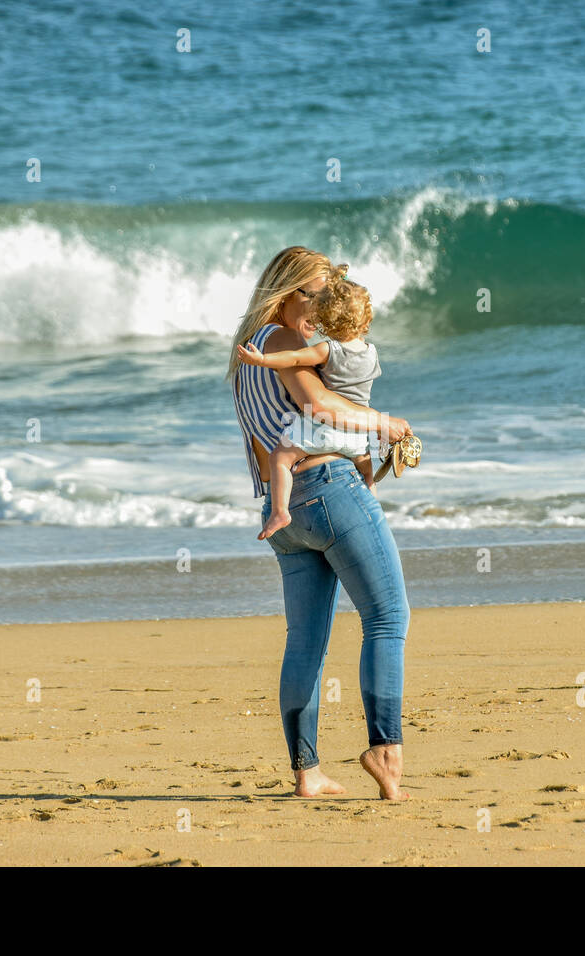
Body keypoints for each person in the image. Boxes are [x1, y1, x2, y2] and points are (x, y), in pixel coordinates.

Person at [226, 246, 412, 800]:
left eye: (330, 296)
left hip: (283, 508)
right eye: (314, 295)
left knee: (305, 640)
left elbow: (265, 446)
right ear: (284, 293)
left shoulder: (245, 361)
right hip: (329, 490)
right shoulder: (285, 343)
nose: (323, 308)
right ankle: (384, 750)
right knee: (387, 617)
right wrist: (386, 424)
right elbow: (323, 409)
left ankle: (306, 772)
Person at [236, 273, 382, 540]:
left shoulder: (328, 350)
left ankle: (279, 511)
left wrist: (261, 360)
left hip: (323, 432)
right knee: (367, 473)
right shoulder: (372, 353)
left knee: (280, 457)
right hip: (358, 438)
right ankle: (373, 506)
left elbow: (294, 362)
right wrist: (382, 422)